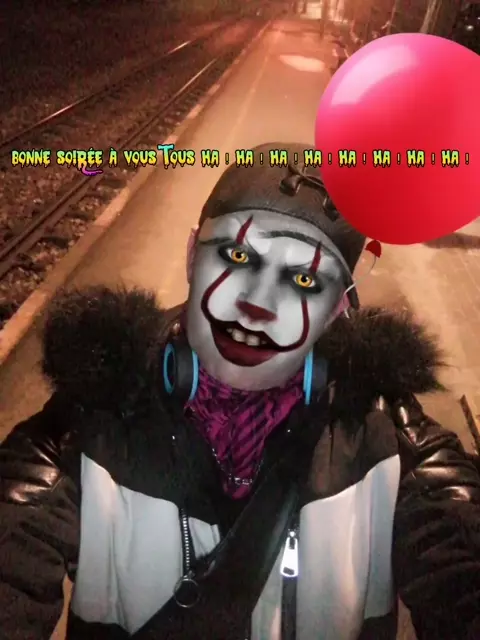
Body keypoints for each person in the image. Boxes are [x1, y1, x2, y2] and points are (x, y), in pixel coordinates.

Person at [1, 142, 480, 640]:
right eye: (238, 255)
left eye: (304, 279)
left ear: (337, 311)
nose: (258, 305)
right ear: (192, 257)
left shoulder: (389, 447)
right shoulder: (86, 431)